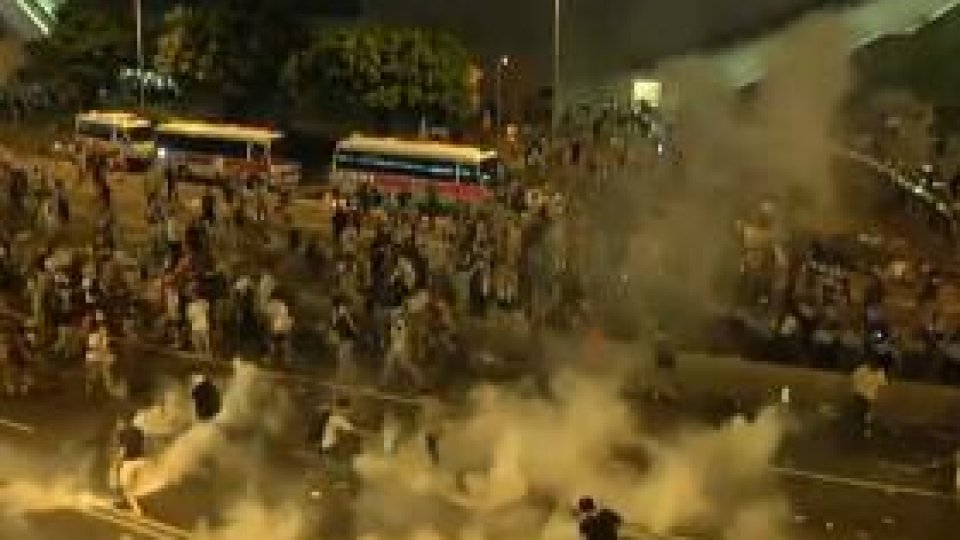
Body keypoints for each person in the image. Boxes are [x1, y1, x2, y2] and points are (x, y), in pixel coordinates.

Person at [109, 417, 148, 515]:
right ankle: (123, 502)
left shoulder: (122, 433)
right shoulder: (139, 431)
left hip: (130, 463)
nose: (117, 426)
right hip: (142, 461)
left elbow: (123, 450)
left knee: (126, 487)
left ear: (122, 422)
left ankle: (137, 510)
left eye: (118, 423)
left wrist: (116, 463)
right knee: (134, 486)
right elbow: (145, 445)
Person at [851, 360, 888, 437]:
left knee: (868, 414)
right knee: (861, 412)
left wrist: (879, 397)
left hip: (870, 397)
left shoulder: (880, 372)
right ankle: (858, 428)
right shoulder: (863, 369)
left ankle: (866, 430)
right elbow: (854, 378)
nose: (875, 367)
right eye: (873, 365)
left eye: (876, 366)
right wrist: (857, 390)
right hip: (860, 394)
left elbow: (884, 384)